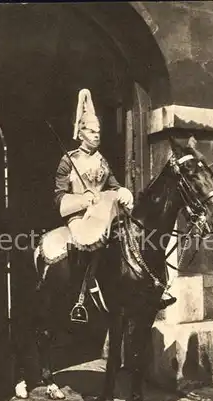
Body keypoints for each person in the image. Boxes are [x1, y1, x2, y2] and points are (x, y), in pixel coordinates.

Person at [54, 89, 133, 322]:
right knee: (87, 243)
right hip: (79, 216)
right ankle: (80, 296)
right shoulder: (69, 160)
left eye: (98, 131)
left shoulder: (102, 159)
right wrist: (81, 200)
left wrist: (121, 191)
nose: (96, 134)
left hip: (103, 213)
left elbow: (112, 184)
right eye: (91, 130)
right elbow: (58, 197)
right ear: (80, 133)